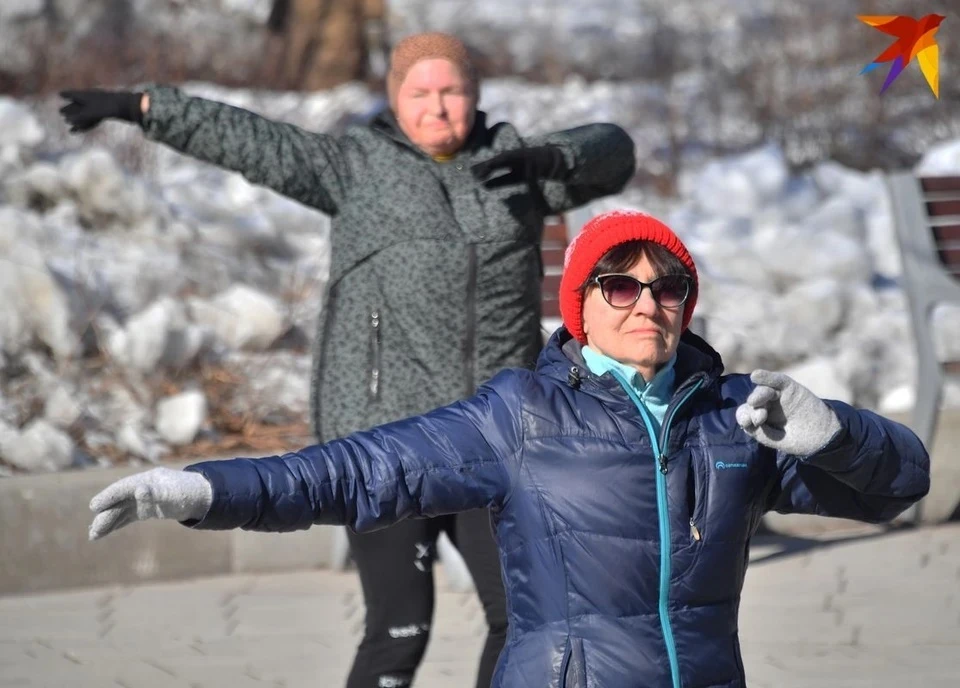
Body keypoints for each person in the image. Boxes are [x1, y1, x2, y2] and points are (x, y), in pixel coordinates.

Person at [87, 209, 930, 688]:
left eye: (669, 286)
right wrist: (206, 490)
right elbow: (357, 471)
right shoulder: (521, 414)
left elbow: (900, 487)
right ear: (582, 306)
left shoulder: (737, 415)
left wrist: (838, 435)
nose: (648, 302)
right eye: (621, 284)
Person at [60, 32, 636, 688]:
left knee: (526, 622)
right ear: (395, 98)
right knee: (399, 631)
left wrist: (551, 157)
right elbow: (252, 140)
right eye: (421, 91)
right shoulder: (355, 164)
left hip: (497, 438)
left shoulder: (517, 169)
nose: (439, 106)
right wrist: (143, 106)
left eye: (453, 90)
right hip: (384, 440)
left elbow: (615, 150)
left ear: (475, 96)